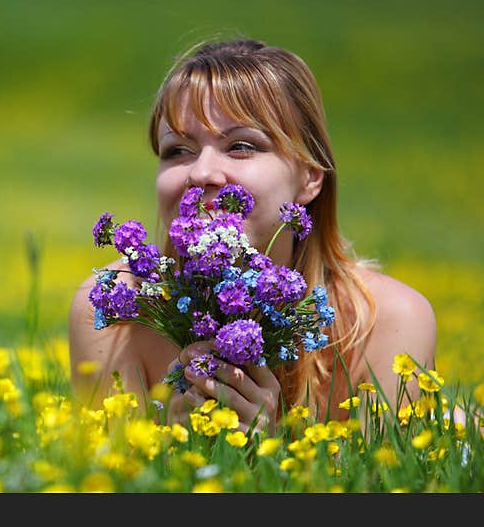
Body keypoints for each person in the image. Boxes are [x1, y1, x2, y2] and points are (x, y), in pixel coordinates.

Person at [68, 37, 437, 432]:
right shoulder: (115, 311)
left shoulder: (387, 321)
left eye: (241, 146)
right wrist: (167, 450)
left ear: (310, 177)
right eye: (177, 150)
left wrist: (266, 452)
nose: (202, 173)